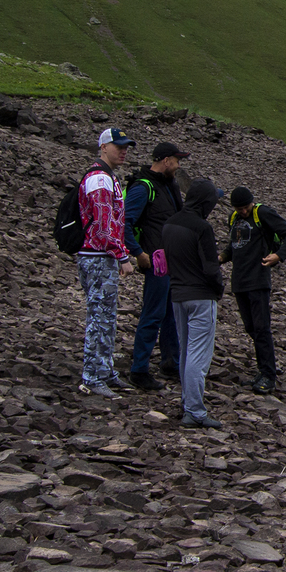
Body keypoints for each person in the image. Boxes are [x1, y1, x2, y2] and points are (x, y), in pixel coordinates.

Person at [76, 127, 137, 398]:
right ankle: (92, 376)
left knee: (107, 316)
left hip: (100, 256)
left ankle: (105, 370)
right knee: (99, 317)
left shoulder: (107, 177)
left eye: (125, 147)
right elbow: (102, 226)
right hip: (98, 257)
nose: (123, 151)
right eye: (118, 146)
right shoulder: (100, 179)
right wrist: (121, 255)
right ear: (103, 147)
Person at [222, 186, 286, 394]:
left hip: (258, 279)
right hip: (239, 281)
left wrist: (279, 256)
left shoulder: (262, 213)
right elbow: (234, 244)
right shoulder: (234, 218)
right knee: (251, 328)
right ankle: (267, 365)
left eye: (246, 208)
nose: (243, 212)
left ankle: (268, 375)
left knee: (261, 327)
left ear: (251, 203)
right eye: (239, 209)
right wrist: (221, 258)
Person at [123, 142, 188, 390]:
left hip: (171, 261)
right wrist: (138, 253)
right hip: (156, 261)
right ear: (166, 160)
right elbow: (124, 222)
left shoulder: (168, 186)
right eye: (177, 160)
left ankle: (170, 362)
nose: (179, 165)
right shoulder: (144, 187)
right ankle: (139, 370)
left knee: (170, 313)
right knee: (153, 313)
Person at [163, 178, 225, 429]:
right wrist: (218, 289)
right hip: (201, 297)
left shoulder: (169, 224)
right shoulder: (202, 228)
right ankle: (195, 411)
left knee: (186, 352)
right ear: (205, 202)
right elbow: (211, 267)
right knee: (198, 357)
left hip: (178, 295)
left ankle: (187, 402)